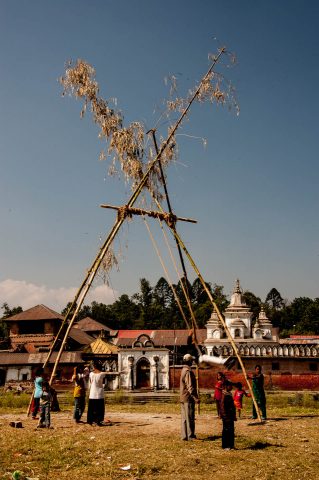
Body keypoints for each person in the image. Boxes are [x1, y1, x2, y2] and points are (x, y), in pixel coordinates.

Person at [180, 353, 200, 441]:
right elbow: (190, 386)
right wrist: (195, 398)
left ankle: (184, 436)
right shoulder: (188, 371)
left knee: (184, 418)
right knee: (190, 417)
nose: (192, 362)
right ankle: (191, 436)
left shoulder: (183, 370)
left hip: (183, 397)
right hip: (188, 397)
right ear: (189, 361)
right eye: (191, 360)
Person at [87, 360, 108, 426]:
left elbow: (91, 382)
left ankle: (91, 421)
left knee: (91, 408)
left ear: (94, 366)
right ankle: (98, 421)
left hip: (92, 393)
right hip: (100, 393)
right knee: (100, 408)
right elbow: (104, 383)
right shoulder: (102, 374)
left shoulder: (91, 374)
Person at [220, 380, 236, 450]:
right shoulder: (224, 395)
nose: (231, 387)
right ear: (226, 386)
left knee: (231, 431)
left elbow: (232, 406)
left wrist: (234, 416)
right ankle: (225, 445)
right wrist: (225, 416)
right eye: (230, 386)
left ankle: (231, 445)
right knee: (226, 430)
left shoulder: (229, 394)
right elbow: (223, 407)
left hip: (230, 416)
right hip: (226, 417)